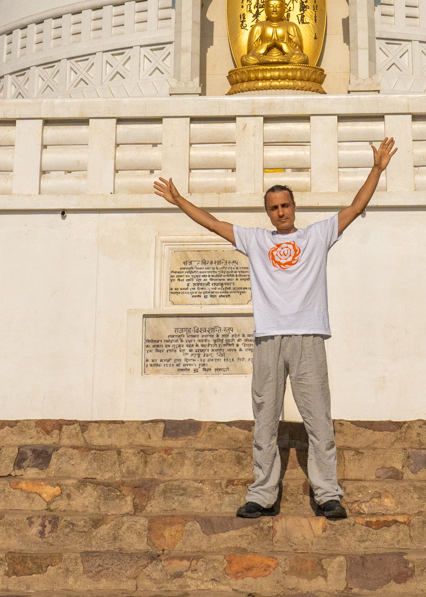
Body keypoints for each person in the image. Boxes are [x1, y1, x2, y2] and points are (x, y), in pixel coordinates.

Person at [153, 136, 396, 519]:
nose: (280, 212)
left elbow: (354, 207)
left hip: (308, 336)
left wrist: (377, 169)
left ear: (294, 207)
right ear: (268, 213)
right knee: (265, 419)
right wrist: (179, 200)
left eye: (285, 205)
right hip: (268, 339)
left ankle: (327, 495)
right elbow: (213, 223)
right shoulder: (256, 240)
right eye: (274, 208)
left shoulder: (316, 236)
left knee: (319, 419)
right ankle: (263, 495)